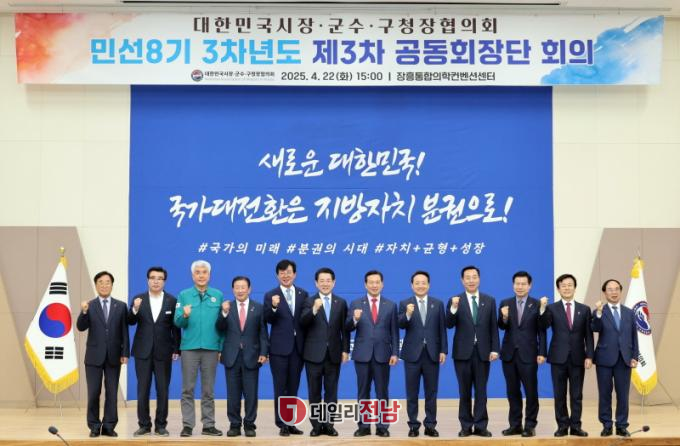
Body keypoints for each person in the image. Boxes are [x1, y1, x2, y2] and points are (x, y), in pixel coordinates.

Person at [446, 265, 499, 437]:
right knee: (464, 391)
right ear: (462, 280)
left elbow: (493, 327)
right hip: (462, 353)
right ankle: (466, 426)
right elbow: (449, 323)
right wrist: (453, 308)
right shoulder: (455, 300)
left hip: (483, 352)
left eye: (474, 277)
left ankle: (481, 426)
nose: (471, 280)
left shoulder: (489, 300)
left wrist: (495, 349)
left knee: (481, 391)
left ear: (479, 279)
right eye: (467, 277)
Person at [127, 266, 181, 437]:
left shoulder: (172, 300)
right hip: (142, 351)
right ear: (147, 280)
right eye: (153, 278)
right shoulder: (139, 299)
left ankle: (160, 425)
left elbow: (175, 327)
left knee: (163, 390)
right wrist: (134, 309)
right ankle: (144, 425)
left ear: (164, 281)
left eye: (160, 278)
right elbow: (130, 321)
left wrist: (176, 348)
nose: (156, 281)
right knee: (142, 389)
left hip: (164, 352)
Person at [539, 273, 593, 437]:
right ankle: (562, 426)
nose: (567, 288)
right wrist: (542, 309)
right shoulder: (551, 308)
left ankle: (576, 426)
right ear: (558, 289)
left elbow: (588, 335)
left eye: (570, 285)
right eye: (563, 285)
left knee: (576, 395)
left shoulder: (584, 309)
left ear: (575, 288)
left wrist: (589, 356)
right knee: (559, 395)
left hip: (578, 358)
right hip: (558, 357)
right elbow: (543, 326)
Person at [173, 260, 223, 437]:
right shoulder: (184, 295)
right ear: (192, 275)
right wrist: (185, 315)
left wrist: (220, 348)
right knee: (187, 389)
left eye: (204, 272)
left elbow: (222, 325)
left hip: (211, 348)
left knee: (208, 390)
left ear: (209, 275)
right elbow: (178, 322)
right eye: (197, 272)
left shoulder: (218, 295)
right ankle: (187, 425)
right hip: (190, 348)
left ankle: (208, 425)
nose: (201, 275)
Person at [346, 270, 399, 437]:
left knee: (382, 392)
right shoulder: (356, 303)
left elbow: (394, 332)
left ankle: (382, 427)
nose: (374, 285)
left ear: (382, 284)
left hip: (383, 355)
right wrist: (354, 319)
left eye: (377, 282)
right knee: (363, 392)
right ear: (365, 284)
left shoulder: (391, 305)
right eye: (371, 282)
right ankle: (364, 426)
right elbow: (347, 327)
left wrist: (395, 353)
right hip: (362, 355)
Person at [76, 271, 129, 437]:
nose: (104, 285)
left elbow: (124, 331)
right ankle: (94, 426)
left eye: (107, 282)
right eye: (101, 282)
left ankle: (109, 426)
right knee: (93, 393)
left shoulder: (121, 306)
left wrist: (125, 352)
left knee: (112, 393)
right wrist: (84, 312)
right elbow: (80, 327)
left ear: (112, 285)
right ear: (96, 285)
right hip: (93, 357)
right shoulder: (90, 305)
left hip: (114, 356)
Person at [299, 267, 350, 437]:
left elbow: (345, 329)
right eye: (322, 281)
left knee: (331, 393)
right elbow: (302, 322)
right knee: (314, 392)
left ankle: (329, 425)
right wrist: (314, 309)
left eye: (328, 281)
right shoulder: (309, 301)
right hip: (313, 355)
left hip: (333, 354)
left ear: (334, 282)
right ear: (316, 283)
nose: (325, 284)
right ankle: (316, 425)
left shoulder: (340, 302)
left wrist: (345, 350)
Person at [216, 276, 269, 438]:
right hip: (231, 356)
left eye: (243, 287)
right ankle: (234, 425)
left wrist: (263, 352)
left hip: (252, 356)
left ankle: (249, 424)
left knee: (251, 394)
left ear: (249, 289)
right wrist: (224, 313)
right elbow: (219, 328)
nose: (240, 290)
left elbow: (263, 333)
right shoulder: (226, 307)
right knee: (233, 394)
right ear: (233, 290)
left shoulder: (258, 308)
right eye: (237, 287)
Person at [398, 270, 448, 438]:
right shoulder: (405, 303)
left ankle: (430, 425)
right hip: (412, 355)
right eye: (417, 283)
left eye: (423, 282)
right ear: (412, 285)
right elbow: (400, 324)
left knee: (431, 392)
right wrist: (407, 314)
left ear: (429, 285)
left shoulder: (437, 304)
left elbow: (442, 329)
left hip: (432, 354)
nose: (420, 285)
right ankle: (413, 425)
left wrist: (443, 350)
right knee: (412, 393)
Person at [498, 271, 546, 438]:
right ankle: (515, 425)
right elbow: (501, 326)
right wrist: (504, 317)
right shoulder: (505, 303)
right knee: (512, 392)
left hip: (529, 354)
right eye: (517, 283)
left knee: (531, 392)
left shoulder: (537, 304)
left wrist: (542, 352)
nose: (520, 287)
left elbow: (542, 330)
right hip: (509, 355)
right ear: (513, 285)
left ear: (529, 285)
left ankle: (530, 425)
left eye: (523, 284)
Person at [263, 259, 308, 436]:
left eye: (288, 272)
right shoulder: (270, 295)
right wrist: (273, 307)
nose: (285, 275)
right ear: (277, 275)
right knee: (280, 387)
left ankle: (290, 423)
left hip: (298, 349)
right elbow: (267, 319)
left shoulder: (303, 294)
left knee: (293, 387)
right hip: (279, 350)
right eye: (282, 273)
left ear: (294, 274)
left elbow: (305, 320)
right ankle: (281, 423)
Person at [591, 279, 639, 438]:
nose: (614, 292)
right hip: (604, 359)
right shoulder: (599, 311)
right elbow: (595, 328)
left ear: (620, 291)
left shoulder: (629, 312)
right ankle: (606, 425)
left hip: (624, 359)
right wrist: (598, 313)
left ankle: (621, 425)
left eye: (616, 289)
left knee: (623, 394)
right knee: (605, 394)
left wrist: (634, 356)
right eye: (610, 289)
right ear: (604, 293)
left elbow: (634, 336)